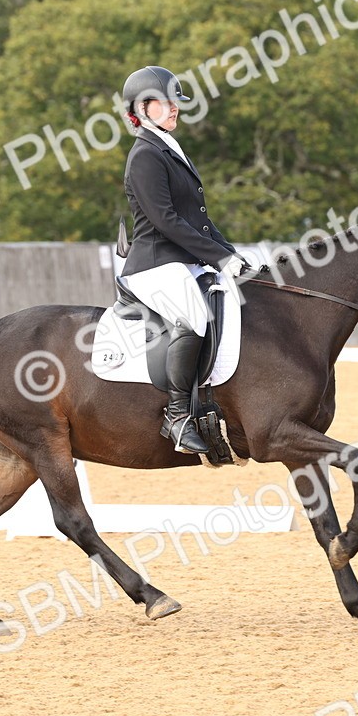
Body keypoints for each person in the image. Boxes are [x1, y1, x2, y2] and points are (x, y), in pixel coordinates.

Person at [119, 65, 250, 455]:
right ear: (142, 108)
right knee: (194, 316)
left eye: (176, 102)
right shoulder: (145, 154)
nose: (175, 108)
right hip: (154, 263)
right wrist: (217, 258)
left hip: (182, 260)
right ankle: (176, 417)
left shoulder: (168, 147)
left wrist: (231, 256)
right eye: (165, 102)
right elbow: (166, 220)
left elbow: (200, 220)